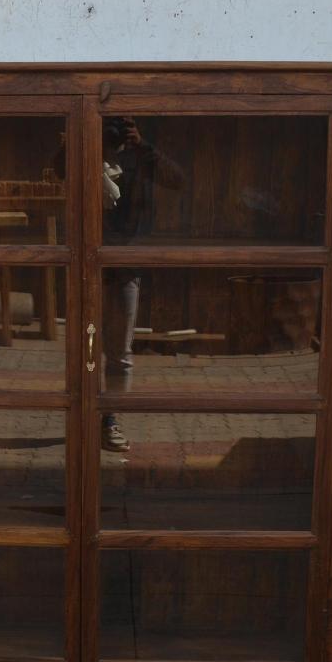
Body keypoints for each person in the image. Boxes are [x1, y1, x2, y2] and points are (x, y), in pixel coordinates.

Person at [100, 117, 183, 451]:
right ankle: (83, 415)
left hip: (126, 264)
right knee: (83, 351)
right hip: (87, 264)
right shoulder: (89, 151)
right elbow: (58, 172)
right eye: (113, 128)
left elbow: (177, 180)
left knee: (119, 353)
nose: (118, 135)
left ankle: (109, 419)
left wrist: (143, 146)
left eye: (124, 128)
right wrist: (85, 143)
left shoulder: (141, 157)